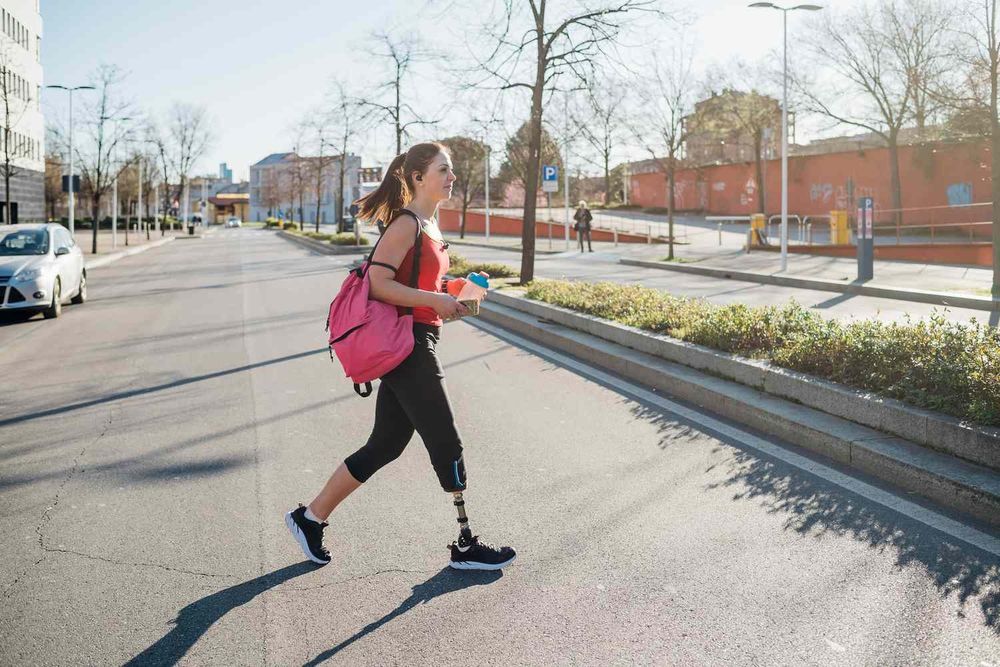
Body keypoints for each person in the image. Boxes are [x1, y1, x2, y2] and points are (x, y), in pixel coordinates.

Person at [285, 142, 517, 571]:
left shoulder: (430, 226)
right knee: (445, 439)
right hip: (406, 344)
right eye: (443, 170)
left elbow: (419, 290)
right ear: (416, 177)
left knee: (386, 444)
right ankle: (466, 544)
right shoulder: (406, 223)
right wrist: (434, 298)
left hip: (419, 336)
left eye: (452, 171)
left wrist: (456, 297)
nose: (451, 177)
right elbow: (377, 283)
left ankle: (309, 517)